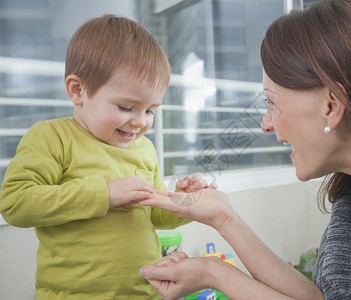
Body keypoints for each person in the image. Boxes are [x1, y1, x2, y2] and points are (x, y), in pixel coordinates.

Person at [138, 0, 351, 299]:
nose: (265, 124)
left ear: (331, 105)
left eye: (272, 103)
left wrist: (217, 275)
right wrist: (224, 219)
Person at [0, 15, 214, 300]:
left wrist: (181, 201)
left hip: (143, 293)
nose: (140, 122)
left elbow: (153, 215)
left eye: (150, 110)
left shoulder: (144, 149)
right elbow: (15, 202)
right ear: (78, 91)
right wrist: (104, 193)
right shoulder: (53, 137)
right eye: (127, 107)